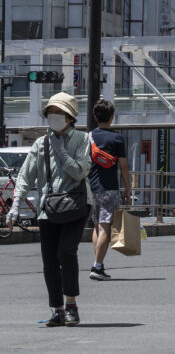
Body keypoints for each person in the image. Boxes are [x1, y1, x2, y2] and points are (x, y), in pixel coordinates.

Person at [5, 93, 91, 326]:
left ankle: (71, 304)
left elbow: (80, 172)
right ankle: (57, 309)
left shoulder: (82, 140)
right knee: (49, 259)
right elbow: (25, 175)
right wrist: (15, 206)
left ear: (70, 118)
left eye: (59, 114)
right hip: (48, 207)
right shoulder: (40, 143)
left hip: (77, 204)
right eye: (50, 114)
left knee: (66, 252)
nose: (54, 118)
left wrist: (62, 152)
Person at [86, 99, 132, 281]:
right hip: (110, 188)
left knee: (97, 226)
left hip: (92, 188)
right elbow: (124, 167)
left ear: (95, 116)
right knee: (105, 226)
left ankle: (99, 264)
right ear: (112, 117)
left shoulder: (88, 137)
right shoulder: (117, 138)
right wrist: (128, 189)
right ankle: (97, 267)